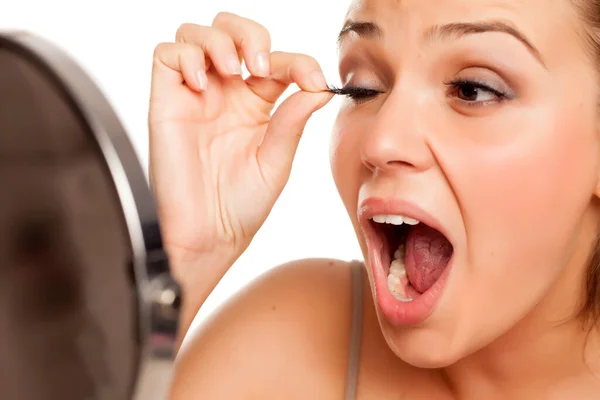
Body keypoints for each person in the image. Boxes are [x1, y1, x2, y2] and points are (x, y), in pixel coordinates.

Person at [148, 0, 600, 398]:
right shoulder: (287, 344)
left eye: (472, 90)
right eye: (363, 88)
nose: (381, 142)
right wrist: (183, 255)